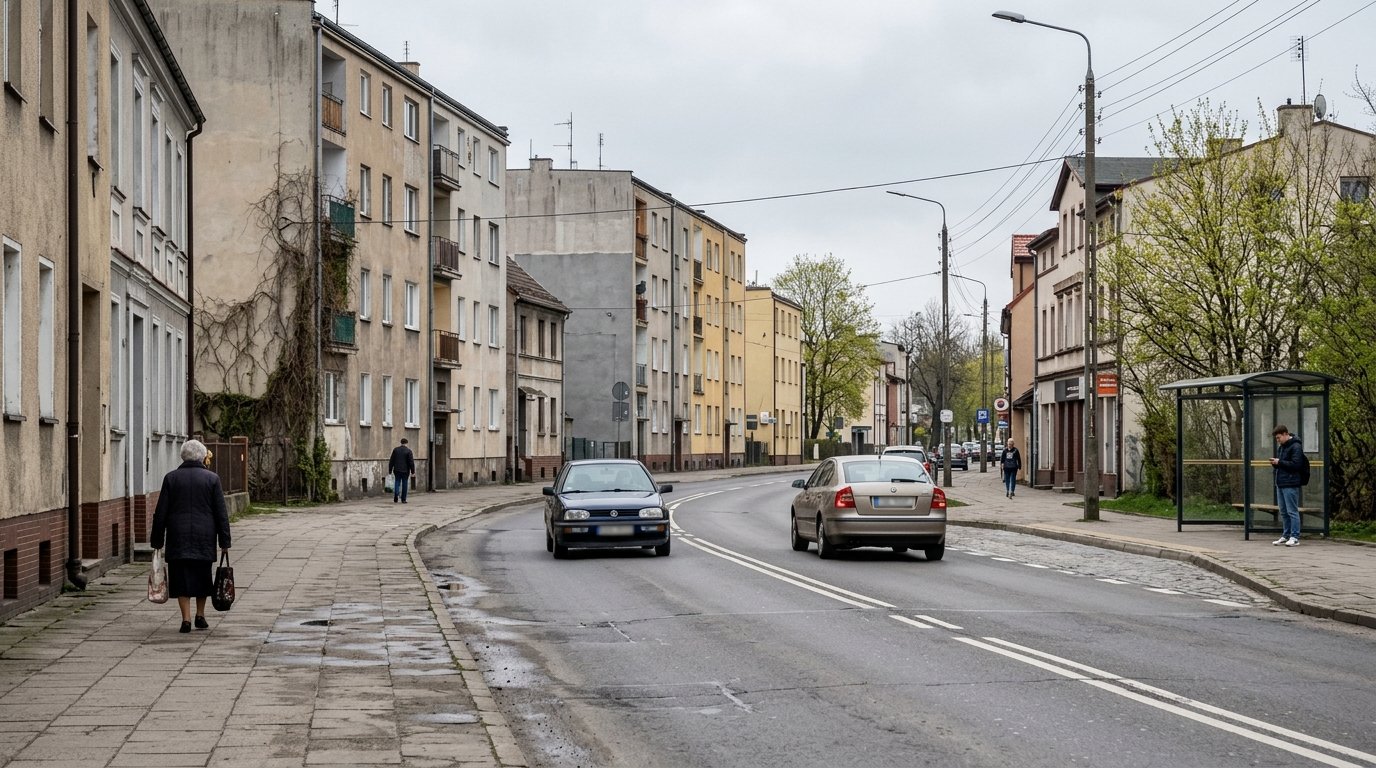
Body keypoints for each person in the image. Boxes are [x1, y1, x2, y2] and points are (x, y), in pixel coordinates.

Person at [150, 439, 232, 634]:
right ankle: (200, 616)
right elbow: (221, 513)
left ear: (183, 456)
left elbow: (161, 512)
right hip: (204, 537)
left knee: (181, 579)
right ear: (202, 457)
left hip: (178, 536)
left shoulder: (171, 478)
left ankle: (185, 619)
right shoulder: (212, 479)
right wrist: (225, 541)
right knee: (203, 577)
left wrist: (157, 540)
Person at [1270, 425, 1304, 547]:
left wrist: (1280, 462)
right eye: (1276, 438)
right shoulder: (1282, 448)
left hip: (1291, 482)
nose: (1278, 440)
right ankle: (1286, 535)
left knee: (1292, 511)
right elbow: (1284, 464)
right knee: (1283, 511)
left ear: (1285, 434)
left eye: (1279, 438)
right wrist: (1276, 464)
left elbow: (1296, 465)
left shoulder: (1296, 446)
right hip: (1281, 482)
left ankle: (1295, 536)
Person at [389, 438, 416, 503]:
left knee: (397, 482)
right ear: (406, 443)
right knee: (404, 484)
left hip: (396, 469)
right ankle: (403, 499)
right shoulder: (409, 451)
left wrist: (390, 469)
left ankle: (396, 494)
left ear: (401, 443)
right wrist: (413, 471)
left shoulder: (395, 450)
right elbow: (411, 462)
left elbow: (391, 460)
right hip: (405, 470)